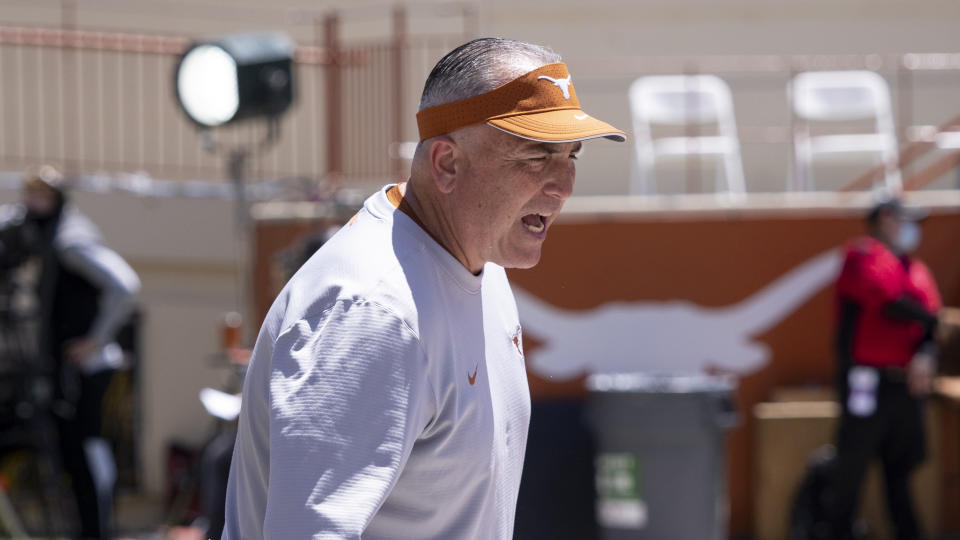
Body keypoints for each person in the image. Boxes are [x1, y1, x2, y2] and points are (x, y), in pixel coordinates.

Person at [222, 38, 625, 538]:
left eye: (572, 157)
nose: (564, 186)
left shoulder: (479, 266)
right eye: (538, 156)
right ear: (447, 164)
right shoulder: (372, 311)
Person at [0, 165, 140, 539]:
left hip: (89, 368)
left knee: (87, 450)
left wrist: (95, 339)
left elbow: (125, 286)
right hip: (70, 370)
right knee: (75, 454)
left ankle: (98, 529)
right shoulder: (47, 235)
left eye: (40, 196)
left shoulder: (70, 240)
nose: (31, 204)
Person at [829, 198, 941, 540]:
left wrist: (926, 352)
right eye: (907, 220)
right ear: (886, 218)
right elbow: (889, 301)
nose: (913, 229)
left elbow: (930, 321)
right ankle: (836, 532)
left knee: (902, 469)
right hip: (866, 381)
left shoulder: (915, 267)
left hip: (906, 385)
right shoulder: (862, 254)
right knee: (852, 465)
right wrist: (933, 319)